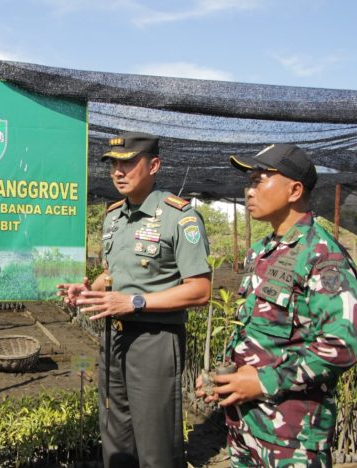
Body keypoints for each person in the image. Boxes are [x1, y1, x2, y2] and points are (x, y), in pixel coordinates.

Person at [196, 144, 357, 466]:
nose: (249, 191)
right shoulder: (261, 250)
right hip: (245, 427)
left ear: (294, 190)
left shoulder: (324, 258)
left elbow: (342, 346)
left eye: (259, 180)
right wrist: (224, 378)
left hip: (291, 437)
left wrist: (262, 381)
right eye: (249, 182)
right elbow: (254, 327)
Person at [57, 132, 211, 468]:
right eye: (113, 164)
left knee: (155, 446)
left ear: (153, 165)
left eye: (128, 162)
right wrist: (88, 292)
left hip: (154, 341)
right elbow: (112, 274)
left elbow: (200, 290)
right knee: (115, 438)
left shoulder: (179, 217)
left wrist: (134, 303)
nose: (117, 171)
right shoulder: (113, 216)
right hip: (114, 338)